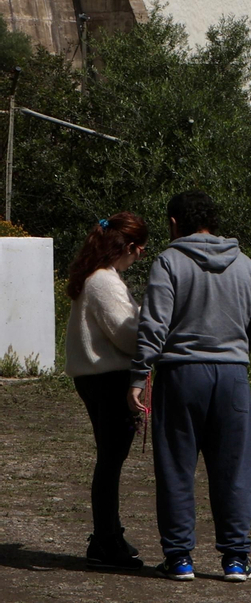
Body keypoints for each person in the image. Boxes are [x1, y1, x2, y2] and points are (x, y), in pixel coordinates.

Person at [128, 191, 251, 582]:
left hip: (181, 374)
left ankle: (179, 558)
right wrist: (238, 341)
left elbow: (154, 324)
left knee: (176, 466)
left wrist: (139, 374)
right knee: (233, 468)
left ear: (175, 223)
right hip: (231, 376)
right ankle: (235, 559)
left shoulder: (169, 261)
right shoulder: (246, 264)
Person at [64, 212, 149, 570]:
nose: (141, 255)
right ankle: (106, 539)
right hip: (109, 377)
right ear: (127, 246)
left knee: (110, 458)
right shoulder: (105, 282)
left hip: (96, 376)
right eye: (139, 248)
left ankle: (108, 533)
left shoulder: (97, 276)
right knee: (111, 460)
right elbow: (128, 335)